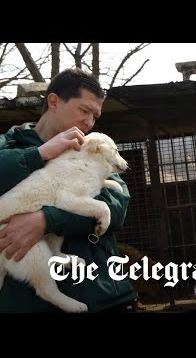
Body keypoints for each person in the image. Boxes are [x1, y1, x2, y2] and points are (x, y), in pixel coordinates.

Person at [0, 68, 137, 313]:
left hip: (97, 296)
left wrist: (47, 219)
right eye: (84, 111)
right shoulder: (8, 145)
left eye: (95, 116)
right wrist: (38, 154)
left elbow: (116, 203)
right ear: (53, 101)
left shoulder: (92, 149)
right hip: (25, 303)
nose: (89, 122)